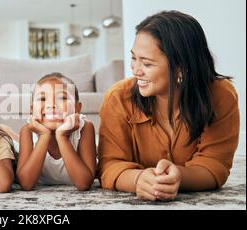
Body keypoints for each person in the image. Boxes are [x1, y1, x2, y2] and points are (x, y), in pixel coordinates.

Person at [97, 10, 240, 201]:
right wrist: (137, 179)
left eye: (146, 64)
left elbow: (215, 165)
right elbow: (109, 165)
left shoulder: (221, 96)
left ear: (181, 68)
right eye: (133, 58)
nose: (135, 70)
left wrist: (179, 176)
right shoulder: (117, 98)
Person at [17, 73, 97, 191]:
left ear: (77, 108)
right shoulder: (27, 131)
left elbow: (84, 184)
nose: (52, 105)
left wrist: (62, 137)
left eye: (62, 98)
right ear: (31, 109)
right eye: (43, 99)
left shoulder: (85, 128)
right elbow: (26, 184)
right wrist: (44, 136)